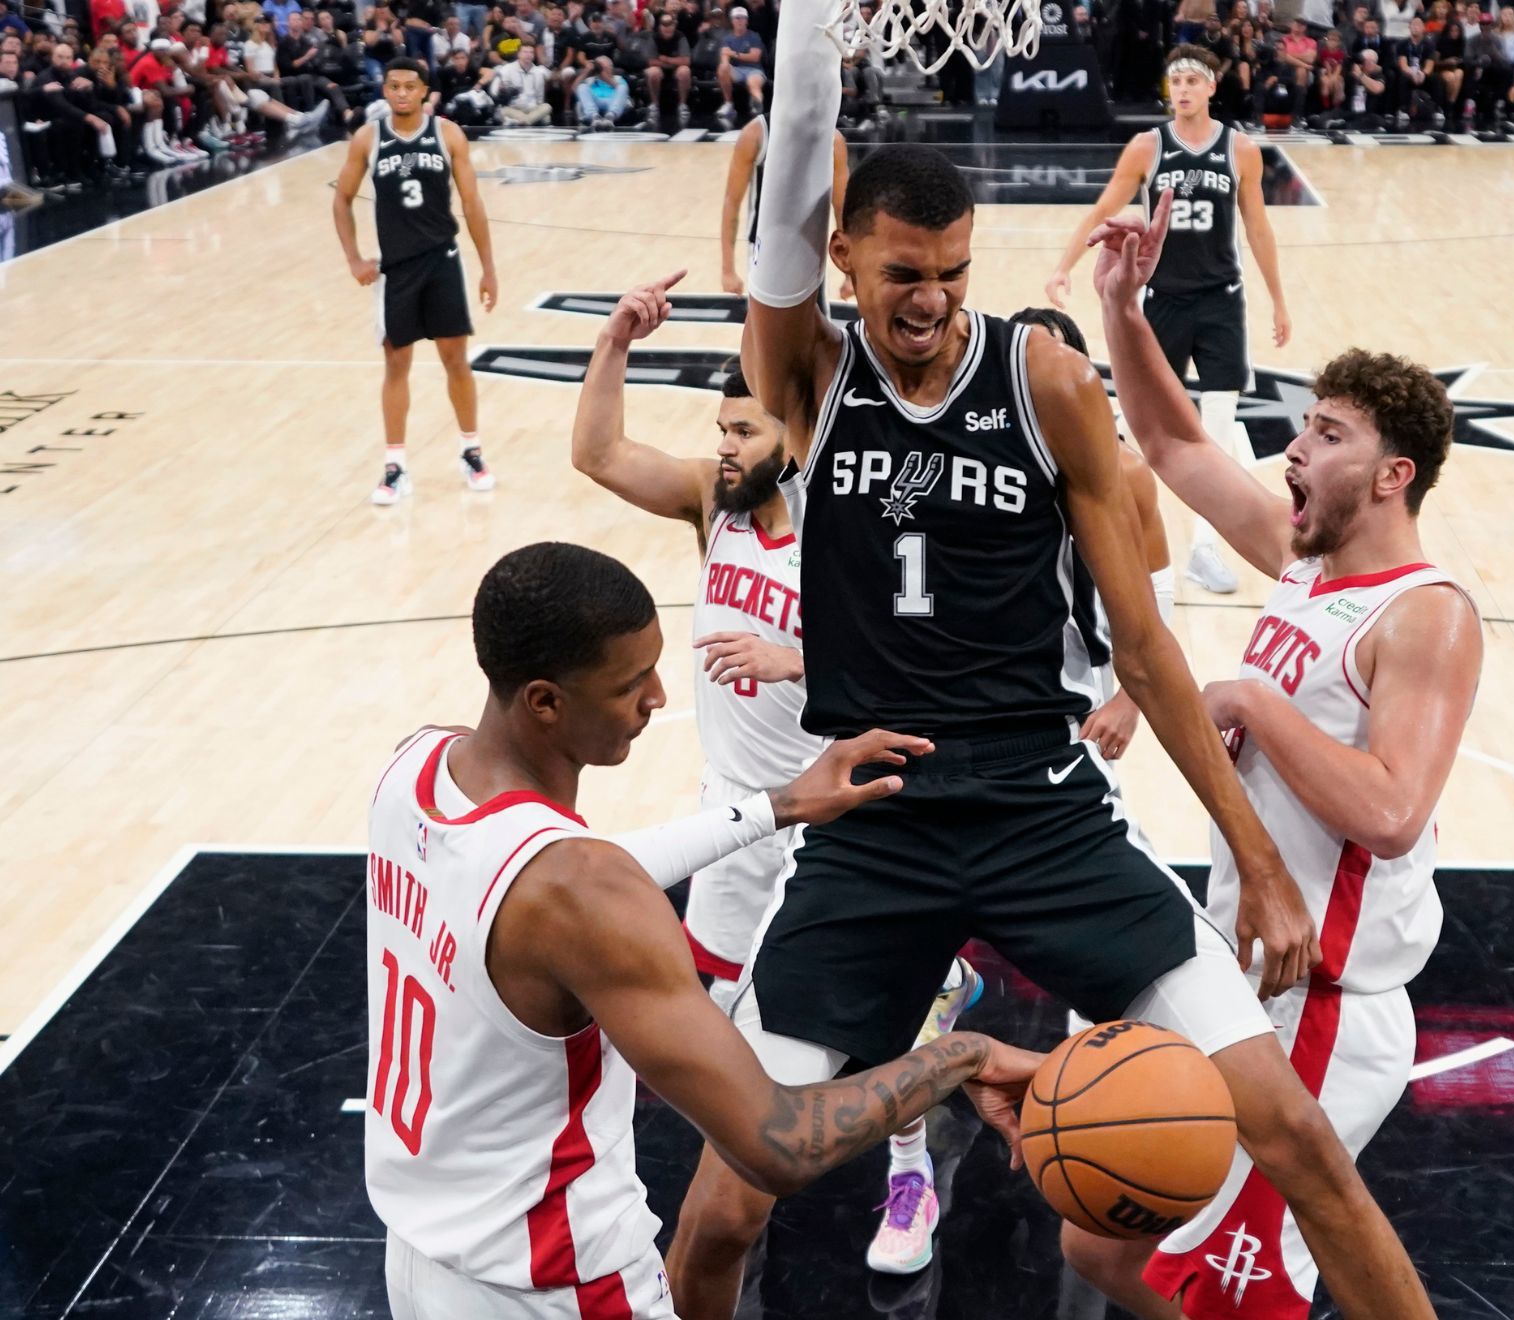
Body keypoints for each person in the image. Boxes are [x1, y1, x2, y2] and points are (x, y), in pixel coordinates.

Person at [662, 4, 1435, 1315]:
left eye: (954, 272)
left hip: (1041, 807)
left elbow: (1141, 645)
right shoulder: (803, 372)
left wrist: (1257, 863)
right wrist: (806, 27)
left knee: (1297, 1139)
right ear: (840, 258)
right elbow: (797, 143)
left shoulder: (1044, 384)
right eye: (903, 274)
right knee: (727, 1204)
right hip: (872, 820)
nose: (931, 302)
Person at [365, 540, 1041, 1318]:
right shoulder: (581, 894)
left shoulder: (414, 770)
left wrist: (775, 806)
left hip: (419, 1261)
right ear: (546, 701)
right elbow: (778, 1143)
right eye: (628, 684)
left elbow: (570, 870)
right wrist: (961, 1055)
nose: (657, 696)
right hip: (556, 1285)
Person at [1067, 166, 1483, 1320]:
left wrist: (1254, 700)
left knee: (1224, 1287)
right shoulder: (1304, 562)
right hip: (1250, 972)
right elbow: (1171, 442)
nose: (1296, 450)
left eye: (1329, 434)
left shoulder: (1427, 613)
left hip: (1331, 999)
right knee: (1101, 1245)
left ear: (1392, 476)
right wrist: (1122, 305)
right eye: (1304, 424)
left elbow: (1394, 809)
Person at [569, 276, 985, 1277]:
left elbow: (942, 672)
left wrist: (805, 659)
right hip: (737, 813)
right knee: (710, 1024)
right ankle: (946, 982)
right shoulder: (715, 506)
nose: (723, 448)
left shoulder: (863, 529)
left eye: (744, 432)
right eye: (719, 428)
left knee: (858, 1038)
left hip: (842, 824)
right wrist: (615, 343)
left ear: (795, 437)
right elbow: (598, 454)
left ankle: (909, 1170)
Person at [1045, 44, 1292, 598]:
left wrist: (1277, 300)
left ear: (1210, 88)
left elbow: (1257, 229)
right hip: (1161, 299)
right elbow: (1104, 208)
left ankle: (1205, 548)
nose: (1181, 89)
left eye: (1191, 80)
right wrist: (1064, 267)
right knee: (1138, 426)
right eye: (1174, 80)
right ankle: (1109, 524)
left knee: (1220, 426)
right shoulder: (1147, 147)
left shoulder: (1241, 149)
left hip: (1221, 300)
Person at [1007, 303, 1175, 765]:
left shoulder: (1124, 470)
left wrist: (1131, 700)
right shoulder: (978, 460)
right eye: (1026, 359)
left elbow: (1156, 585)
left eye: (1056, 356)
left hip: (1080, 679)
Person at [331, 58, 498, 507]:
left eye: (410, 86)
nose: (402, 93)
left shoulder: (447, 134)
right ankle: (395, 466)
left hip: (442, 260)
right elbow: (341, 199)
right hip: (396, 269)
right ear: (384, 90)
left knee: (455, 360)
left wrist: (488, 268)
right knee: (396, 364)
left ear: (425, 91)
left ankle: (472, 451)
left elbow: (473, 203)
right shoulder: (368, 138)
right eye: (394, 86)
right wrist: (353, 259)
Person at [719, 114, 849, 300]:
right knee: (765, 326)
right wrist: (728, 271)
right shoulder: (757, 133)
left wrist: (850, 273)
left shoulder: (832, 140)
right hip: (765, 249)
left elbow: (841, 206)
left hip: (810, 251)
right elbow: (731, 202)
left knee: (808, 325)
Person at [714, 2, 763, 123]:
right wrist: (726, 60)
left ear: (746, 21)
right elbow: (724, 57)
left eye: (743, 18)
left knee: (754, 84)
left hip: (754, 70)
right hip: (736, 71)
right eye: (737, 18)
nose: (740, 20)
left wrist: (734, 54)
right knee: (722, 67)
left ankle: (757, 106)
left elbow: (755, 57)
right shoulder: (726, 38)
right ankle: (728, 104)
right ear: (732, 21)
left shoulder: (754, 36)